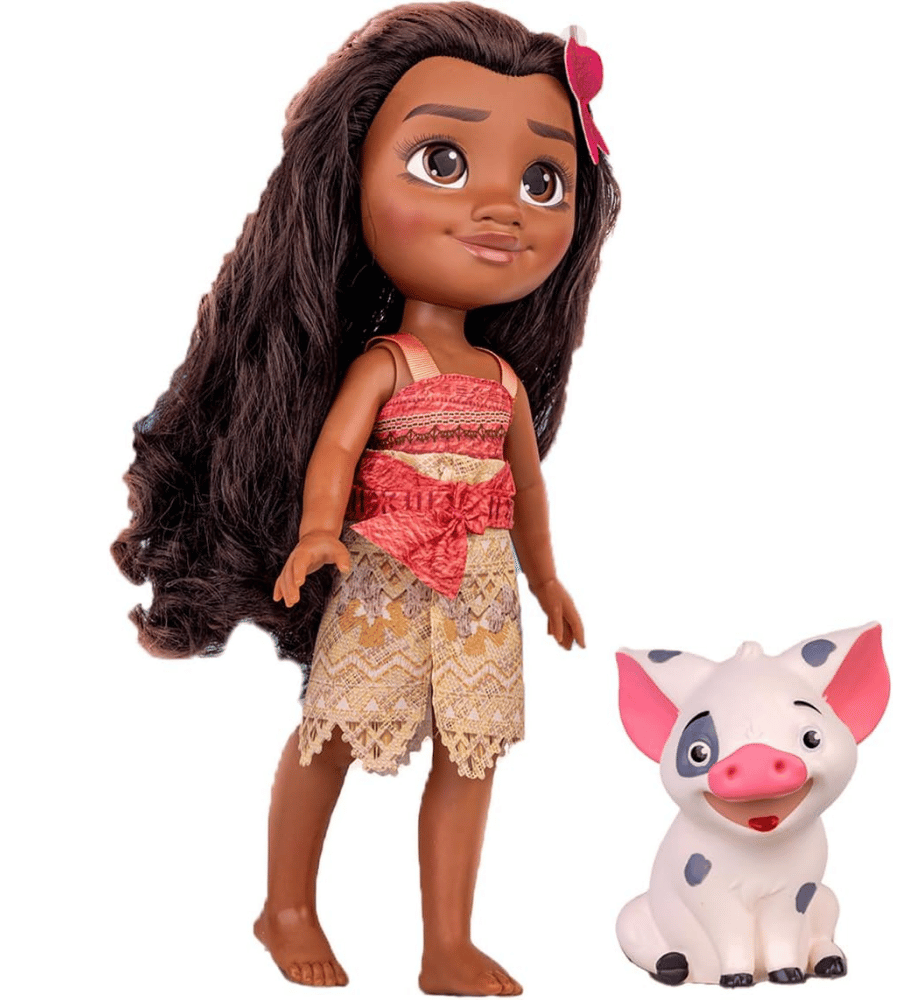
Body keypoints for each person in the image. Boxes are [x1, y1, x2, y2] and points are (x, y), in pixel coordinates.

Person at [113, 4, 619, 993]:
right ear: (350, 180)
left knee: (472, 755)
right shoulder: (386, 363)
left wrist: (548, 579)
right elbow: (339, 450)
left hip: (481, 590)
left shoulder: (503, 380)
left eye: (541, 180)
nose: (503, 207)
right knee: (335, 732)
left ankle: (446, 943)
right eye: (443, 162)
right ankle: (286, 905)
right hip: (388, 570)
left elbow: (525, 486)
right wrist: (315, 533)